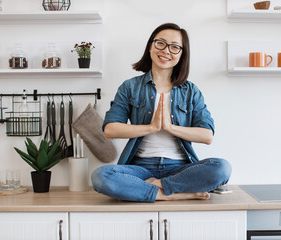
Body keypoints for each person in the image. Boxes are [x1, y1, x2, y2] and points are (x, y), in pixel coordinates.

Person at [91, 23, 232, 203]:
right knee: (100, 176)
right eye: (161, 43)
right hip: (140, 169)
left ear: (182, 54)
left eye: (174, 47)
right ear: (151, 46)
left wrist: (169, 127)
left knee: (222, 168)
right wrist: (151, 127)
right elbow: (110, 129)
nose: (166, 51)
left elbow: (207, 135)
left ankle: (157, 185)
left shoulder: (191, 91)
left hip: (180, 168)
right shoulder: (130, 87)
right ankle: (168, 194)